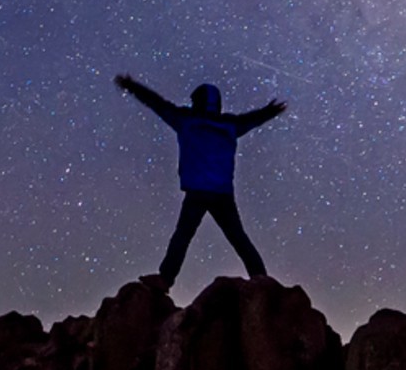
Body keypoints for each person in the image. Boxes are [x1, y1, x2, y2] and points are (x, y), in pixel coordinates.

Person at [115, 74, 286, 288]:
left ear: (196, 101)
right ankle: (260, 278)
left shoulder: (185, 120)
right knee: (238, 237)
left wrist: (132, 86)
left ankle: (165, 279)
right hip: (222, 192)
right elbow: (253, 119)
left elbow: (156, 103)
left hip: (197, 191)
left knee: (183, 235)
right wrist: (270, 111)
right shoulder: (230, 125)